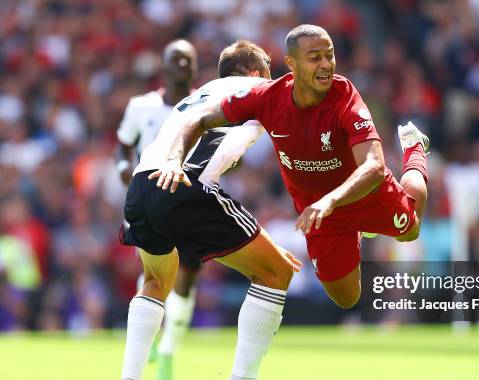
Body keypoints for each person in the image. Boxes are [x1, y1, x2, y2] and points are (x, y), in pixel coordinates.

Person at [152, 24, 429, 312]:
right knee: (347, 298)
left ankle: (415, 148)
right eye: (315, 57)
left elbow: (374, 165)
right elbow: (200, 119)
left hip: (361, 193)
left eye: (329, 55)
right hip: (321, 213)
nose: (325, 65)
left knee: (409, 231)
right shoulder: (268, 98)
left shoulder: (344, 94)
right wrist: (173, 160)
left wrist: (331, 200)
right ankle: (355, 230)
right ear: (291, 64)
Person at [114, 40, 301, 380]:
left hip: (141, 187)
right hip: (184, 186)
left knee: (155, 280)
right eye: (266, 74)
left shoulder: (200, 94)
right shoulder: (254, 90)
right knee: (276, 272)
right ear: (254, 74)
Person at [116, 39, 201, 380]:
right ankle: (151, 337)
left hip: (192, 202)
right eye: (175, 59)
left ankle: (167, 351)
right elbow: (125, 142)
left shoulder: (204, 103)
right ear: (163, 66)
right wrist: (124, 166)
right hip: (151, 200)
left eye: (188, 60)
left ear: (196, 68)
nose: (181, 65)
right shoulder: (141, 106)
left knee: (185, 280)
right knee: (154, 273)